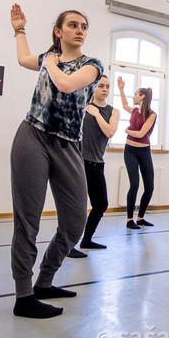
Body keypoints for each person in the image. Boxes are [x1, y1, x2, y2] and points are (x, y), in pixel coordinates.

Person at [9, 4, 103, 319]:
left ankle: (45, 281)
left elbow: (65, 83)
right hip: (32, 137)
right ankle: (24, 295)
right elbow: (23, 59)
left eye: (84, 26)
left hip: (68, 146)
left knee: (76, 220)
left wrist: (49, 63)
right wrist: (20, 30)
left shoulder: (92, 65)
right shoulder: (48, 60)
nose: (80, 30)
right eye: (73, 25)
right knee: (28, 220)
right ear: (58, 31)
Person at [67, 75, 120, 258]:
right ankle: (67, 245)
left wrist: (97, 114)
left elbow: (110, 131)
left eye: (107, 86)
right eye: (100, 86)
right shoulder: (82, 107)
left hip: (97, 164)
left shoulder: (113, 111)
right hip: (78, 163)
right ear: (93, 88)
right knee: (76, 207)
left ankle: (86, 239)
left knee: (101, 204)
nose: (104, 89)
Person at [117, 79, 157, 229]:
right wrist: (121, 89)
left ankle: (140, 217)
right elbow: (124, 104)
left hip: (144, 151)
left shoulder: (152, 115)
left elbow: (141, 133)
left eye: (135, 94)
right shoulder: (134, 111)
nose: (133, 97)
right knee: (134, 184)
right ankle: (129, 220)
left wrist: (127, 131)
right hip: (130, 151)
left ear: (142, 97)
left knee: (149, 186)